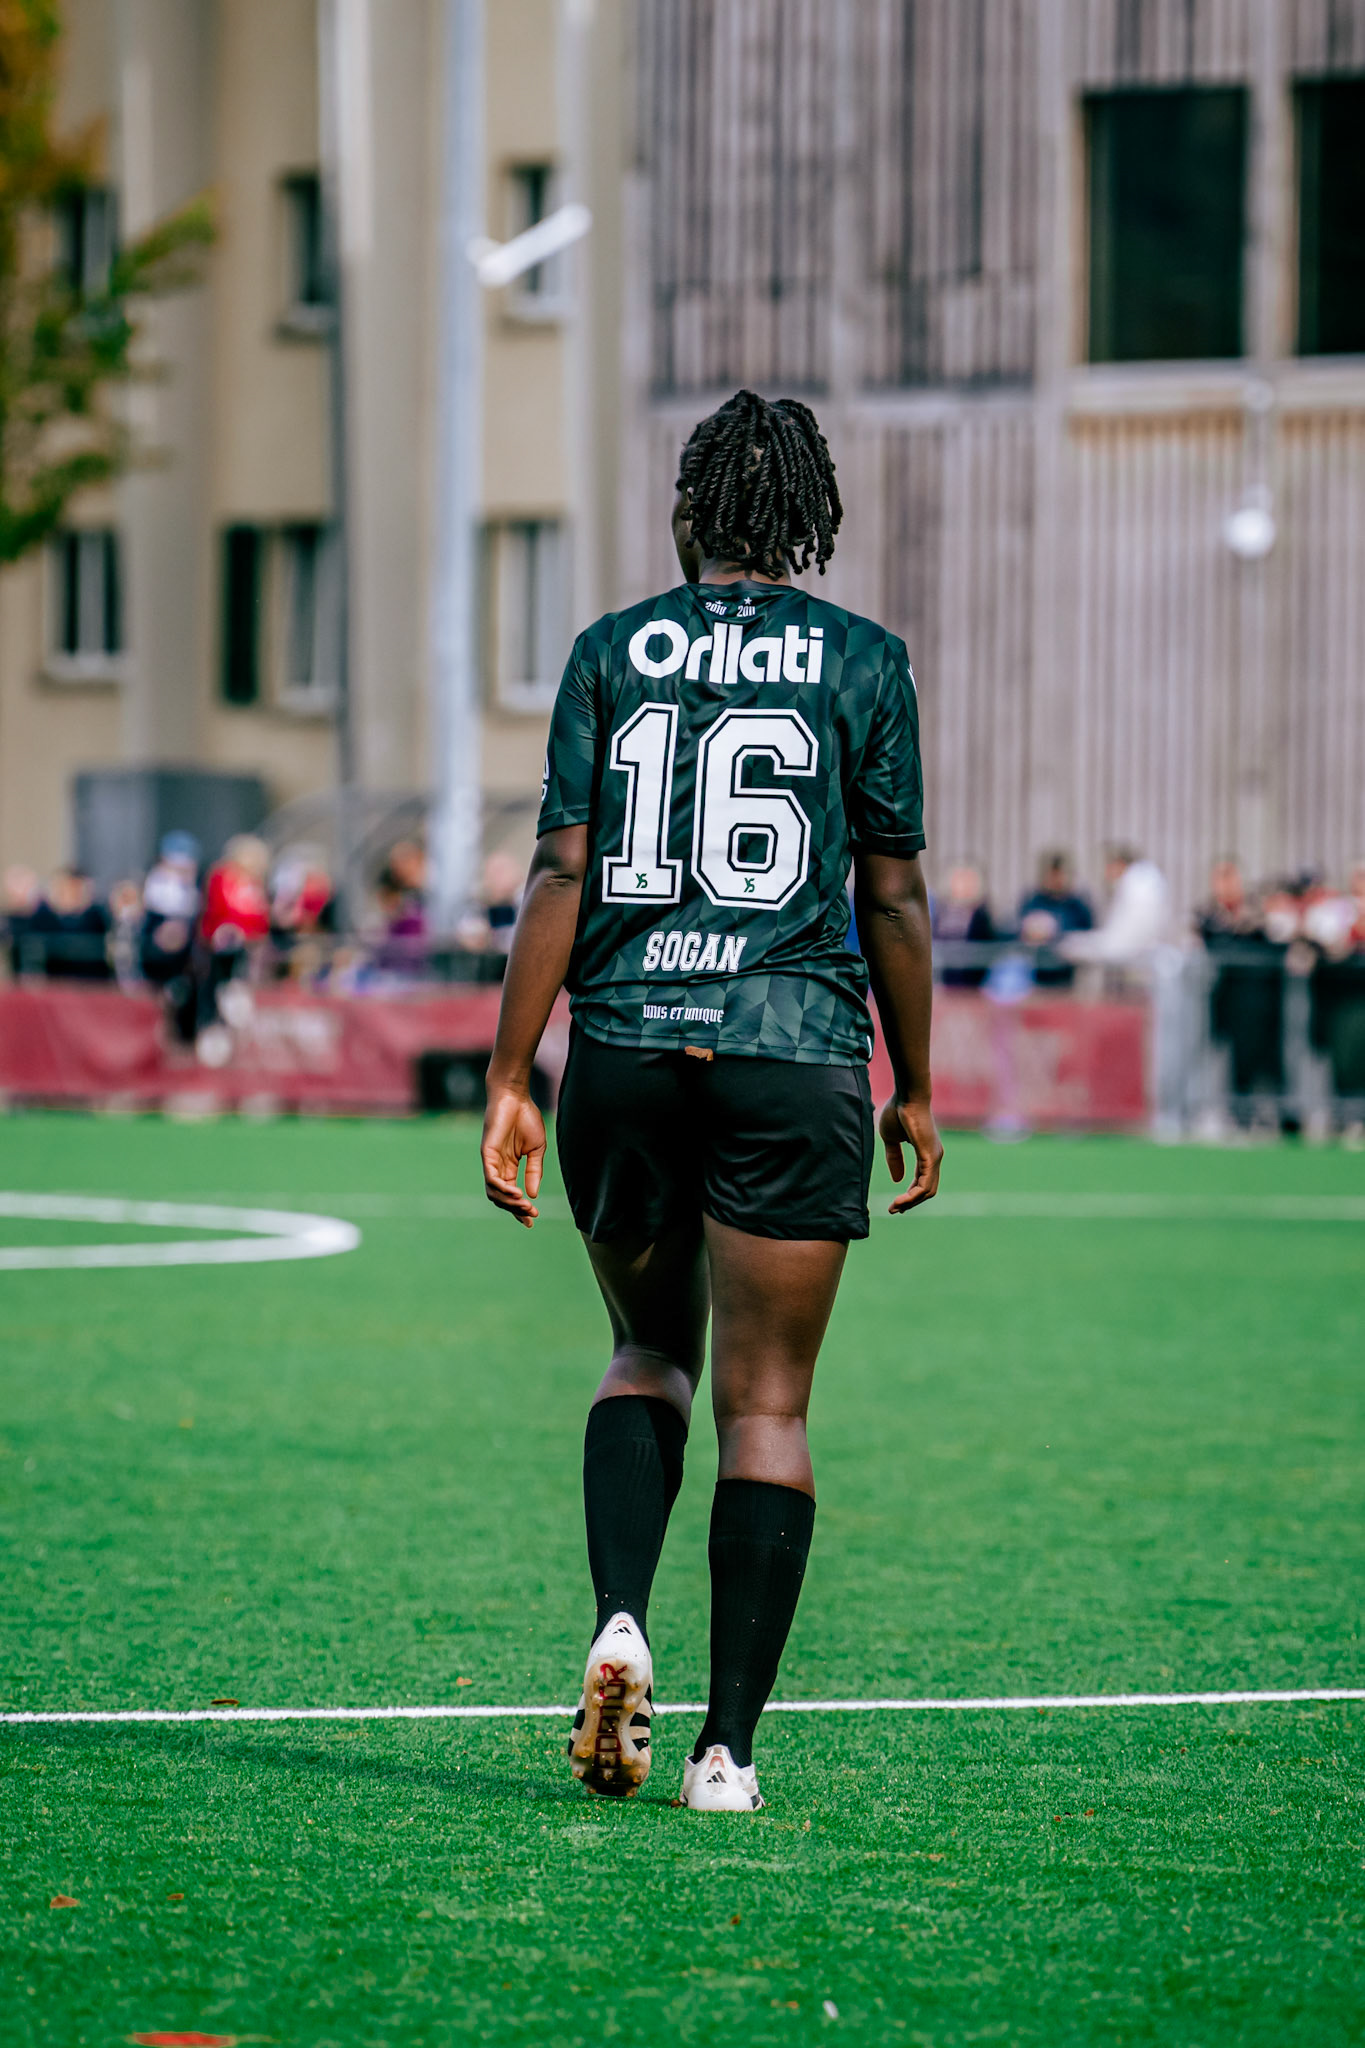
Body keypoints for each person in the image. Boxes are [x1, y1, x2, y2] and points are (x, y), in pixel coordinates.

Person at [480, 388, 942, 1813]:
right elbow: (894, 895)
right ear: (805, 519)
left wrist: (511, 1073)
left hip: (623, 1048)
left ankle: (620, 1617)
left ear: (688, 511)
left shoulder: (609, 649)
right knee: (770, 1409)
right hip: (792, 1048)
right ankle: (726, 1754)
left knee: (644, 1354)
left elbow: (560, 873)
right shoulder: (864, 660)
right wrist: (914, 1083)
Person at [1060, 843, 1170, 969]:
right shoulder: (1143, 879)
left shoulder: (1134, 884)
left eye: (1108, 866)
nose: (1106, 872)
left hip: (1128, 952)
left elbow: (1119, 942)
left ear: (1119, 864)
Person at [1017, 851, 1093, 988]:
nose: (1056, 879)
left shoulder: (1077, 906)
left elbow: (1087, 934)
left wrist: (1059, 934)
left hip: (1066, 975)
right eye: (1052, 874)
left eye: (1060, 874)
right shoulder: (1033, 902)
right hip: (1036, 974)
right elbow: (1016, 930)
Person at [29, 867, 113, 980]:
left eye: (75, 889)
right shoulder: (45, 916)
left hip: (91, 980)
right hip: (56, 981)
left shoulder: (96, 914)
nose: (69, 893)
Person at [932, 861, 995, 989]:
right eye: (960, 882)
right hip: (946, 977)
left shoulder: (981, 914)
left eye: (968, 882)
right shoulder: (942, 912)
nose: (964, 886)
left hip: (973, 981)